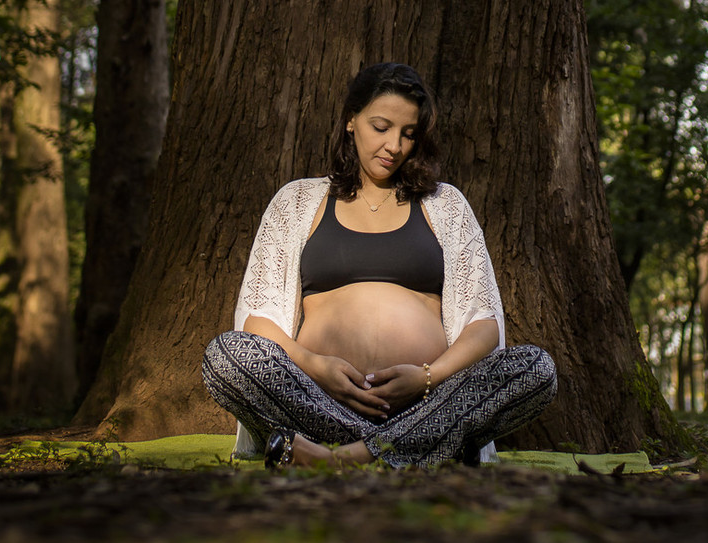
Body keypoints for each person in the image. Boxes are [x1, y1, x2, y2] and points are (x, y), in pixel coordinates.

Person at [202, 62, 557, 468]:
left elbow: (484, 325)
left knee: (535, 369)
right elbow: (257, 320)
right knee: (225, 356)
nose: (394, 146)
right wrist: (317, 367)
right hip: (317, 400)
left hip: (428, 402)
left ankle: (342, 458)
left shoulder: (445, 204)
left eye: (408, 133)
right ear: (351, 120)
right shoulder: (297, 201)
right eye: (381, 127)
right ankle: (416, 448)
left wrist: (427, 378)